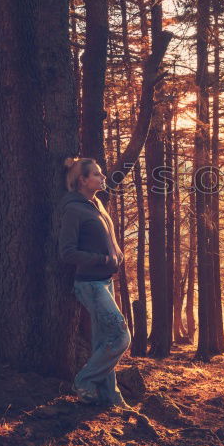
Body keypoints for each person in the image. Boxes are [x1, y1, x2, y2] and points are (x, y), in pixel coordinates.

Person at [58, 157, 132, 410]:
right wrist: (102, 258)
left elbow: (108, 235)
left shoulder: (96, 203)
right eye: (97, 175)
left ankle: (111, 397)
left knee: (103, 343)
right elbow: (66, 253)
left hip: (104, 281)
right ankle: (84, 380)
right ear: (83, 180)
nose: (103, 178)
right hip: (89, 284)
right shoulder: (72, 209)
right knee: (121, 336)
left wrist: (117, 254)